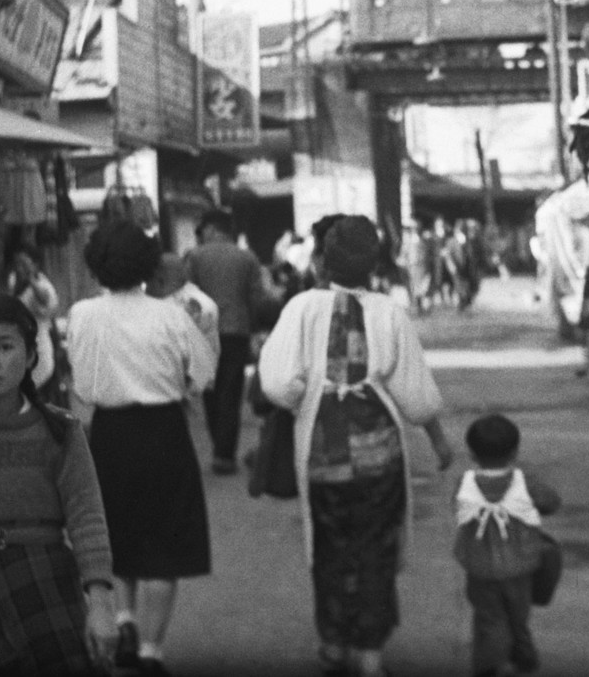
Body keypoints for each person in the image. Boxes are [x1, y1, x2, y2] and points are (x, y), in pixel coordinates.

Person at [259, 215, 455, 677]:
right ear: (375, 265)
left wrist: (305, 396)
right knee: (374, 549)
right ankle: (370, 655)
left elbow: (279, 385)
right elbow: (415, 390)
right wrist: (440, 443)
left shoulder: (302, 307)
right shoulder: (390, 311)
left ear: (323, 261)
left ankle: (332, 641)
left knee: (328, 547)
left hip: (322, 451)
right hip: (380, 454)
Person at [0, 293, 118, 676]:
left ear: (32, 355)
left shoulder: (61, 428)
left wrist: (100, 604)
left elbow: (87, 517)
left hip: (46, 578)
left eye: (6, 346)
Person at [66, 221, 217, 675]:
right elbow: (203, 372)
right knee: (163, 541)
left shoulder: (83, 314)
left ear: (95, 265)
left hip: (108, 432)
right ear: (150, 265)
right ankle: (150, 650)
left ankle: (125, 619)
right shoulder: (170, 314)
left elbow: (82, 382)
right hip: (163, 431)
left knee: (119, 532)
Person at [452, 414, 562, 677]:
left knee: (489, 618)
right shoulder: (526, 482)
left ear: (472, 454)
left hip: (479, 566)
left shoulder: (464, 484)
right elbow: (552, 503)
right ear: (514, 451)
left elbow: (458, 509)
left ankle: (489, 665)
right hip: (520, 565)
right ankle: (522, 654)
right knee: (518, 614)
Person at [184, 208, 275, 475]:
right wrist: (257, 329)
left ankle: (219, 449)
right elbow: (256, 298)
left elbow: (188, 295)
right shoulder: (247, 258)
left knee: (210, 391)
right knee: (231, 392)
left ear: (212, 228)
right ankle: (225, 454)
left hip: (205, 333)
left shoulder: (196, 256)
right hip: (236, 332)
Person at [6, 250, 61, 400]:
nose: (20, 267)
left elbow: (47, 303)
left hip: (39, 343)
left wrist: (31, 280)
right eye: (18, 263)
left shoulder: (41, 284)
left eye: (25, 263)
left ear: (34, 265)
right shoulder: (13, 281)